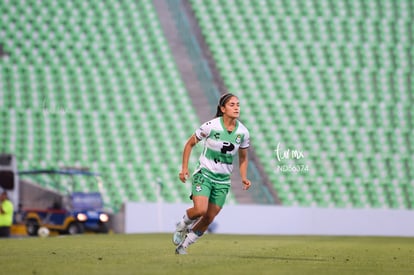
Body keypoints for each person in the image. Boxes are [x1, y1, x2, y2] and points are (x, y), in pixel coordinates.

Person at [173, 93, 251, 254]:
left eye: (238, 104)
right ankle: (182, 225)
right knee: (200, 210)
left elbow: (243, 158)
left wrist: (244, 178)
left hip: (223, 181)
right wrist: (184, 169)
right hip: (205, 174)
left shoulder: (243, 133)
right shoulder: (210, 126)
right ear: (223, 109)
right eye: (232, 104)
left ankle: (184, 246)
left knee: (209, 217)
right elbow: (189, 145)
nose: (236, 107)